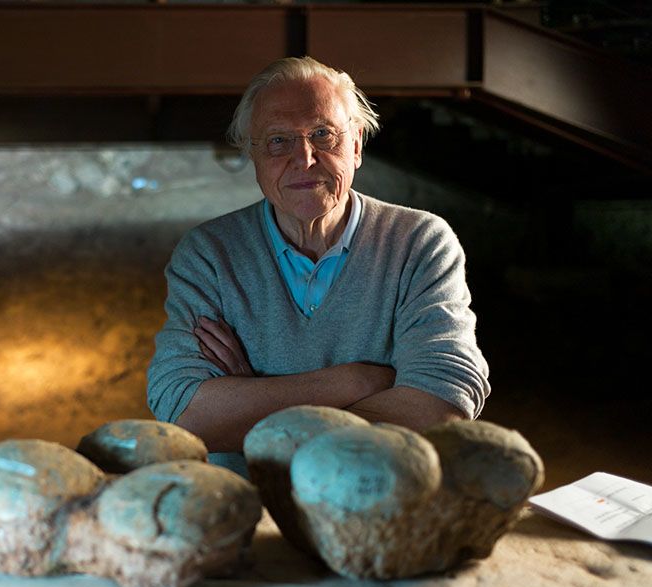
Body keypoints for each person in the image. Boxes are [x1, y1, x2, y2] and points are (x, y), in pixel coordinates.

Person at [146, 56, 490, 475]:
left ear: (357, 144)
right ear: (253, 154)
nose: (304, 158)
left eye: (323, 134)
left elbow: (441, 405)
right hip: (251, 508)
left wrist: (253, 396)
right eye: (278, 141)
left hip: (381, 499)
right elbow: (185, 415)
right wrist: (356, 381)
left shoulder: (419, 242)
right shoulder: (209, 254)